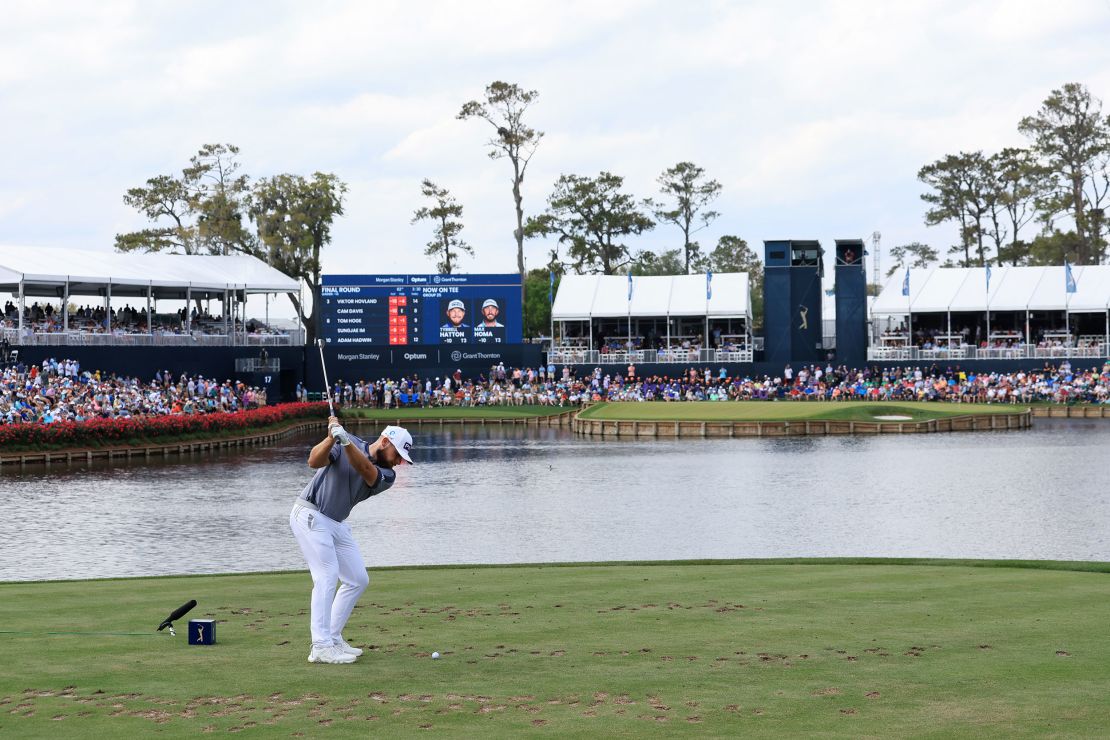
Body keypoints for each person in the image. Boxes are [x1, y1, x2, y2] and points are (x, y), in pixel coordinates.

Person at [289, 418, 415, 664]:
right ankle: (321, 646)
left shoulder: (388, 476)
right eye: (397, 454)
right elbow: (313, 461)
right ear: (385, 441)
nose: (399, 462)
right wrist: (331, 438)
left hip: (336, 522)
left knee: (357, 579)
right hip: (310, 513)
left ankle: (333, 638)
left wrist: (344, 441)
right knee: (326, 575)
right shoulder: (347, 442)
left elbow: (366, 471)